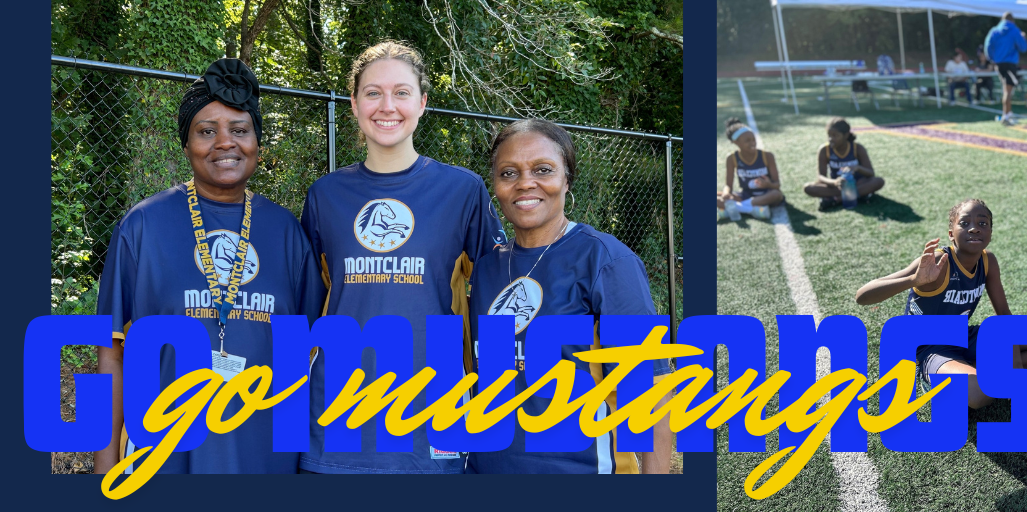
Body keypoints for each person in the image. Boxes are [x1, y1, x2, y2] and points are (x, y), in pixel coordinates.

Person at [94, 58, 324, 475]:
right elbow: (111, 355)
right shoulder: (144, 226)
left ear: (257, 143)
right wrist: (103, 471)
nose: (225, 143)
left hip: (265, 456)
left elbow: (303, 360)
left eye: (240, 130)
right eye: (206, 131)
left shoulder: (287, 232)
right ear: (186, 144)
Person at [297, 41, 504, 474]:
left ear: (423, 103)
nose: (386, 105)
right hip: (337, 429)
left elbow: (498, 305)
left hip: (431, 424)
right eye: (372, 93)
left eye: (401, 92)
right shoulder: (325, 195)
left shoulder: (462, 191)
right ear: (353, 104)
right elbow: (305, 311)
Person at [467, 119, 674, 474]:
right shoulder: (486, 269)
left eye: (543, 169)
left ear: (566, 179)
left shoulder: (606, 261)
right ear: (496, 187)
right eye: (508, 173)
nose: (525, 183)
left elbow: (651, 393)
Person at [855, 199, 1027, 407]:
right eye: (964, 223)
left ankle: (969, 372)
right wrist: (913, 280)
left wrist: (1008, 344)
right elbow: (862, 296)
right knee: (979, 396)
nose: (974, 229)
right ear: (951, 233)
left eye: (982, 224)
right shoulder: (937, 262)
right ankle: (935, 378)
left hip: (963, 335)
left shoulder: (988, 262)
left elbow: (1004, 314)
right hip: (932, 346)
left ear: (990, 233)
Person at [803, 118, 884, 208]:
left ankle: (836, 200)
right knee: (808, 188)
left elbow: (871, 173)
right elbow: (821, 177)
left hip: (857, 184)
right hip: (838, 187)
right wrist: (835, 182)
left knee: (879, 181)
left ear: (846, 135)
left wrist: (857, 168)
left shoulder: (858, 148)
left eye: (835, 136)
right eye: (829, 135)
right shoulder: (824, 150)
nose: (831, 139)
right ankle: (859, 195)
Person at [717, 118, 783, 220]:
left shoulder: (767, 156)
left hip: (766, 195)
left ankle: (736, 207)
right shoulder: (732, 158)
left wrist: (768, 184)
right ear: (736, 142)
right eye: (747, 141)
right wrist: (726, 193)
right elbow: (728, 185)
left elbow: (777, 185)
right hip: (745, 195)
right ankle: (751, 210)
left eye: (753, 139)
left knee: (777, 195)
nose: (752, 143)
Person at [983, 12, 1027, 125]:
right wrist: (1024, 38)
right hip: (1010, 64)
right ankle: (1005, 116)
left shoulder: (994, 30)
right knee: (1008, 90)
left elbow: (987, 46)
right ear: (1012, 20)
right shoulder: (1014, 30)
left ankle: (1009, 112)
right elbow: (1023, 47)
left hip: (998, 64)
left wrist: (993, 59)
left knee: (1006, 88)